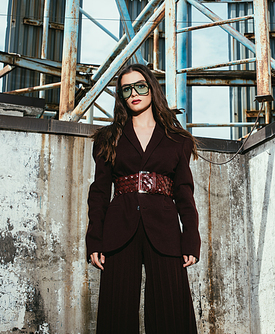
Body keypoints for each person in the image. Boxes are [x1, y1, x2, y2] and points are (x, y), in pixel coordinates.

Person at [86, 63, 200, 333]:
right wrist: (94, 238)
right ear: (121, 96)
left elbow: (185, 193)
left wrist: (191, 238)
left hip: (165, 228)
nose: (134, 93)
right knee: (116, 310)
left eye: (140, 86)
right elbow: (100, 192)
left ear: (152, 89)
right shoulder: (108, 137)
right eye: (126, 89)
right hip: (119, 226)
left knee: (172, 309)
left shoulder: (177, 139)